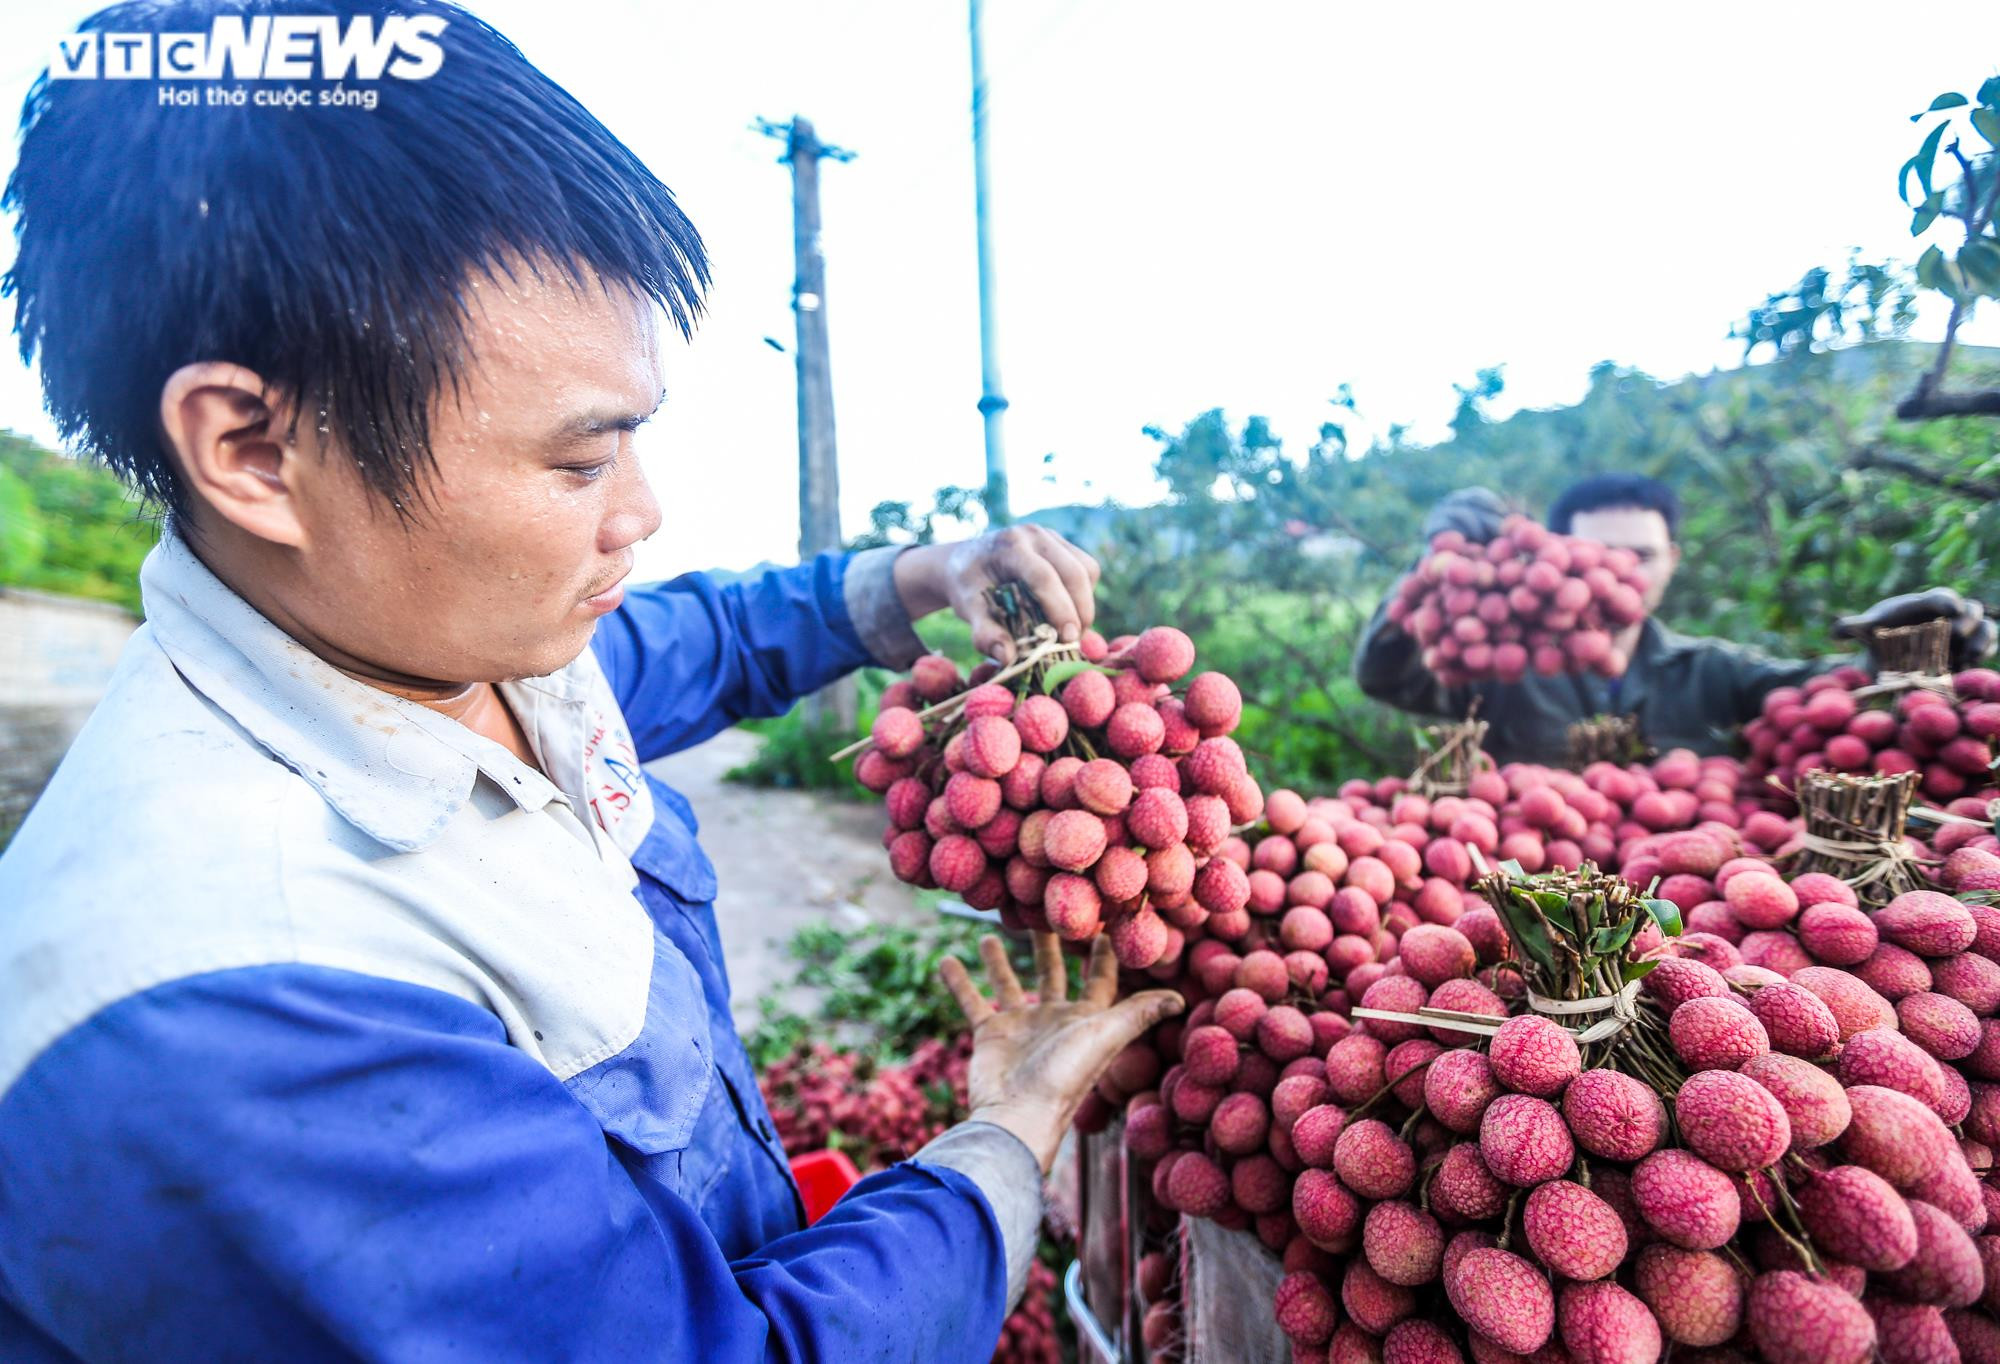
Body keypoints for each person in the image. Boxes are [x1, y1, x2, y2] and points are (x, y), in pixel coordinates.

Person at [0, 3, 1180, 1360]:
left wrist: (926, 572)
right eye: (578, 462)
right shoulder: (246, 1011)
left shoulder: (441, 649)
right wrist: (1007, 1131)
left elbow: (708, 638)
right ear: (254, 451)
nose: (642, 512)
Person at [1354, 474, 1994, 764]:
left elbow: (1830, 695)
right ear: (1554, 557)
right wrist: (1432, 566)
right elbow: (1385, 676)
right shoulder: (1501, 666)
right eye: (1601, 553)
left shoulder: (1711, 670)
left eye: (1641, 555)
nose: (1622, 571)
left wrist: (1907, 653)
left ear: (1673, 562)